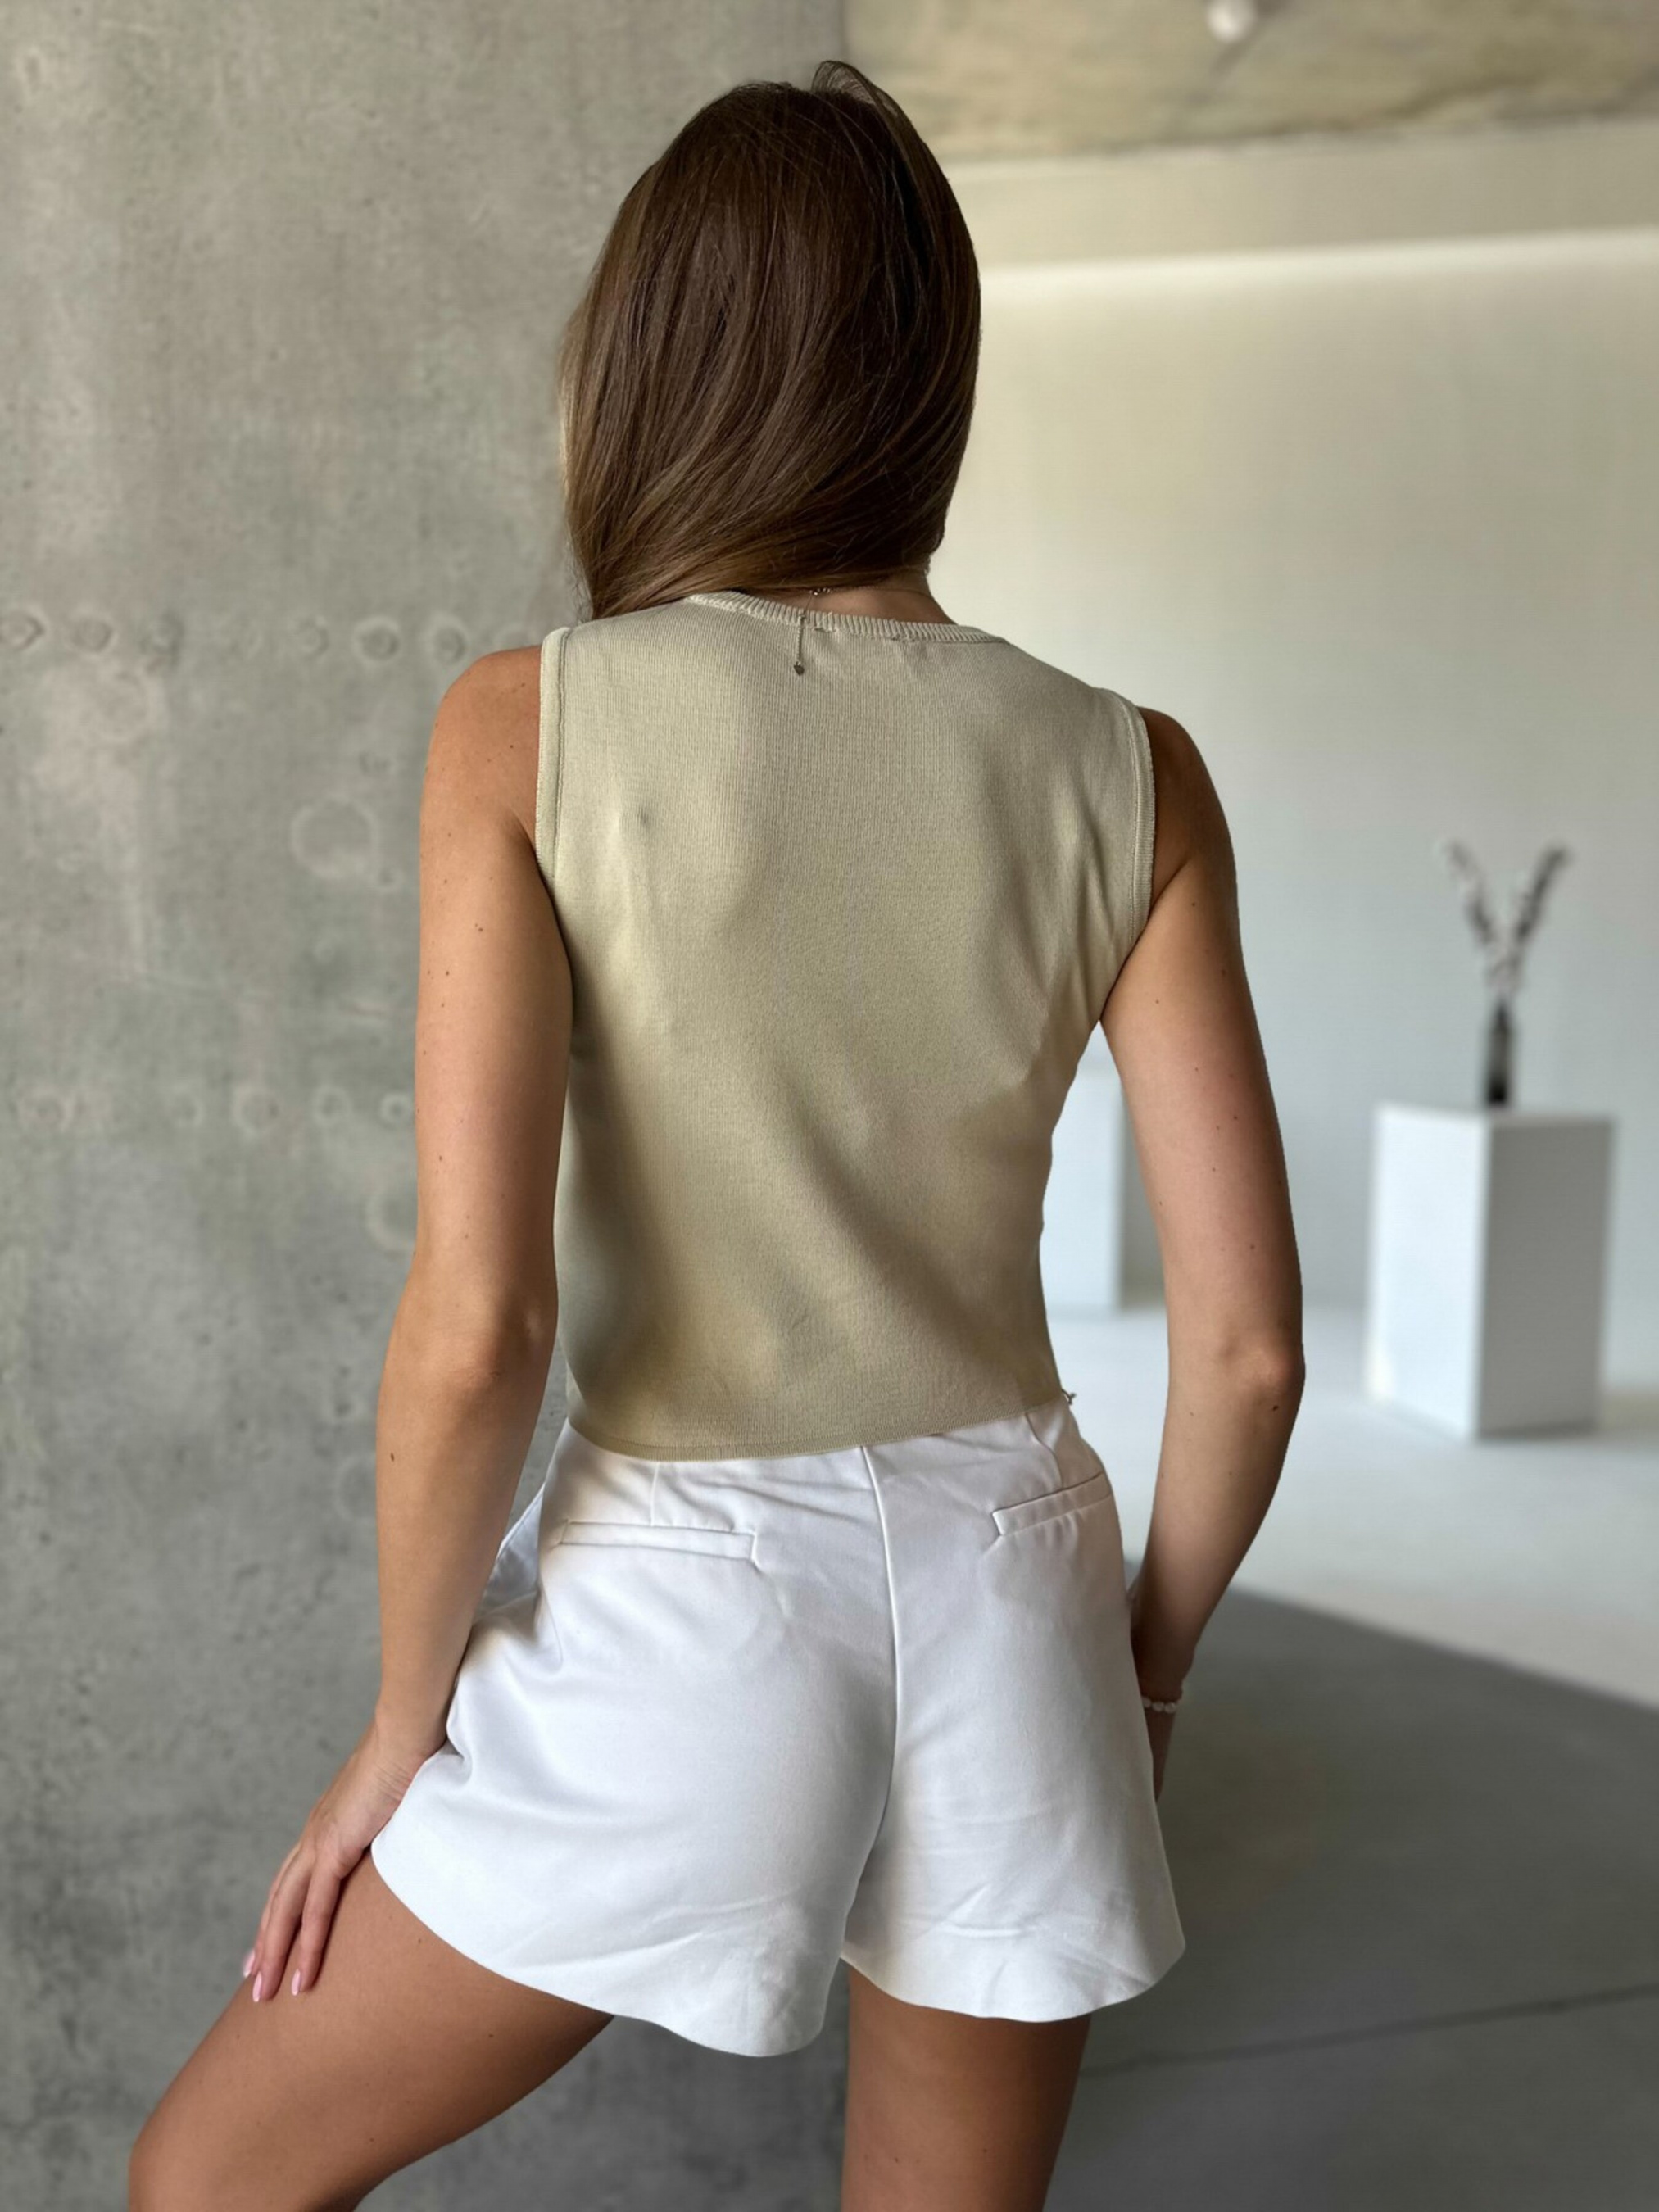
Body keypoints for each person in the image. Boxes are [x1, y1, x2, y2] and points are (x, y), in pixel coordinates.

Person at [129, 57, 1303, 2212]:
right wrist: (1130, 1678)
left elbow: (477, 1329)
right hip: (1018, 1566)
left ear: (651, 365)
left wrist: (401, 1726)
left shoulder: (529, 723)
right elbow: (1245, 1351)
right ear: (931, 380)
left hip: (694, 1592)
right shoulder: (1134, 768)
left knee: (207, 2181)